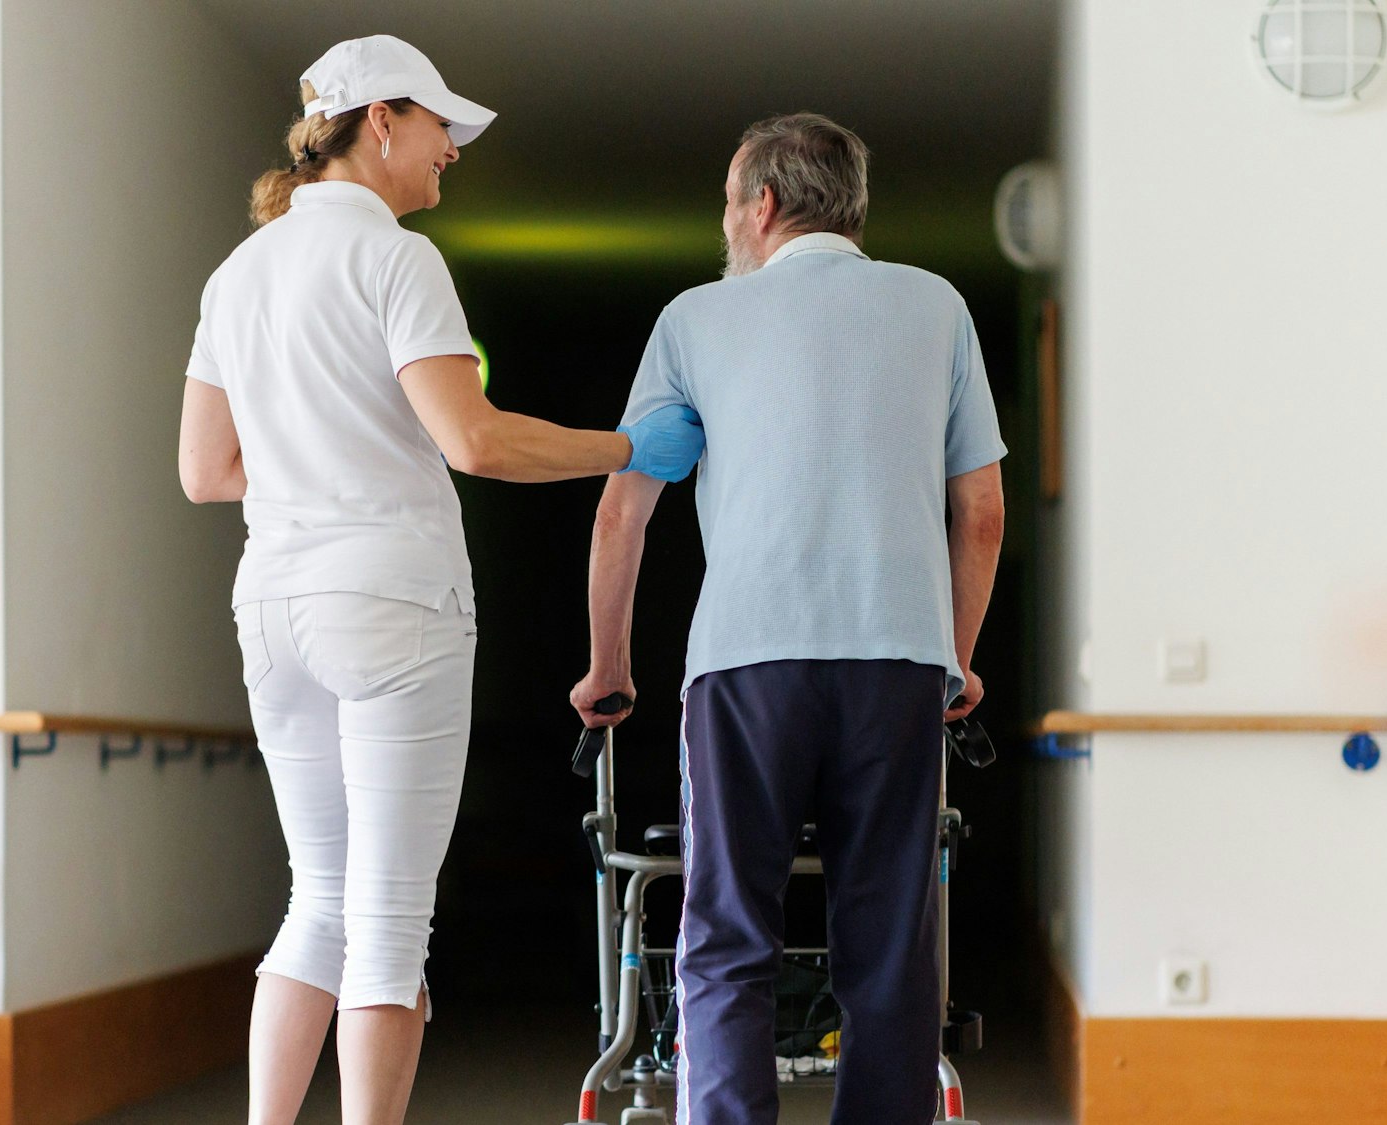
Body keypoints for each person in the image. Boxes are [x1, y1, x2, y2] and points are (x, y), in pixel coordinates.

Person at [175, 35, 704, 1125]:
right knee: (387, 918)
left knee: (313, 900)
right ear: (379, 122)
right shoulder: (396, 261)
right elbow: (475, 442)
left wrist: (318, 463)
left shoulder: (238, 272)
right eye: (438, 129)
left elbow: (205, 471)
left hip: (271, 605)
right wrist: (626, 447)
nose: (451, 152)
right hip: (391, 603)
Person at [571, 113, 1007, 1125]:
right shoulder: (935, 307)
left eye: (729, 202)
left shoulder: (696, 319)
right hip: (895, 657)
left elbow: (621, 510)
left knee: (727, 936)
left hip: (743, 666)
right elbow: (978, 513)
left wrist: (608, 671)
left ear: (761, 205)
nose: (727, 221)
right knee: (888, 940)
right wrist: (954, 660)